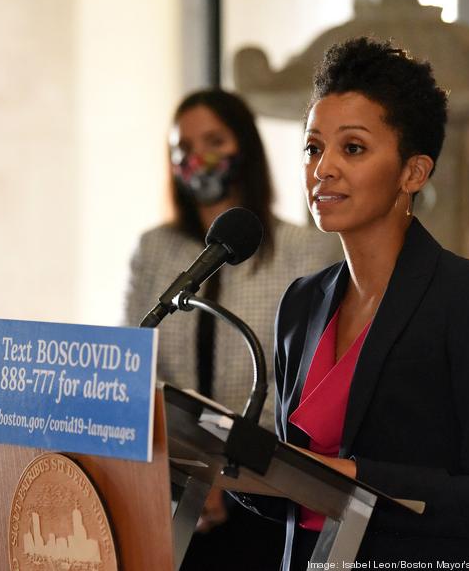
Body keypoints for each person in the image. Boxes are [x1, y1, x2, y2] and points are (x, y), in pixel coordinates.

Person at [258, 37, 469, 568]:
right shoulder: (301, 302)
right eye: (313, 148)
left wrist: (354, 480)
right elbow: (294, 494)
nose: (323, 168)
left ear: (414, 173)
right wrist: (230, 465)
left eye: (353, 148)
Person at [124, 88, 340, 570]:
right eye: (183, 147)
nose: (197, 157)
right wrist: (183, 466)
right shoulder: (153, 249)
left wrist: (224, 472)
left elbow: (299, 383)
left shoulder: (304, 251)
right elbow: (136, 361)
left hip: (263, 483)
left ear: (244, 147)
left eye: (214, 141)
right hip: (168, 482)